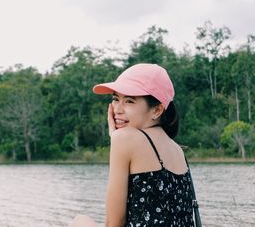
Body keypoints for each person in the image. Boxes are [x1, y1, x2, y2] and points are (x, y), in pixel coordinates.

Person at [68, 63, 194, 227]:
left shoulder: (125, 139)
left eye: (129, 101)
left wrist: (116, 138)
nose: (118, 109)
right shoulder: (178, 150)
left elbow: (114, 223)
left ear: (157, 110)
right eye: (115, 99)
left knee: (80, 222)